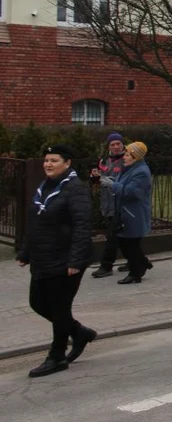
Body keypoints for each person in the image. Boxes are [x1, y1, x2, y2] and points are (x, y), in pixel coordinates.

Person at [16, 144, 96, 378]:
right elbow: (36, 223)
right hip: (42, 258)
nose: (48, 164)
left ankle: (57, 356)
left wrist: (75, 260)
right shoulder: (45, 187)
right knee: (37, 303)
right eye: (46, 160)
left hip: (64, 261)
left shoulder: (75, 189)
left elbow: (83, 227)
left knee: (60, 309)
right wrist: (25, 252)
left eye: (54, 160)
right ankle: (79, 332)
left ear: (67, 163)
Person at [115, 142, 152, 285]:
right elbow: (123, 184)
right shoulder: (129, 168)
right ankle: (142, 263)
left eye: (127, 154)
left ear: (135, 157)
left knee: (131, 244)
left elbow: (132, 192)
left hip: (134, 213)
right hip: (126, 212)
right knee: (124, 242)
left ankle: (136, 273)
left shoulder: (141, 171)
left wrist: (113, 186)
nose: (124, 157)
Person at [90, 132, 126, 278]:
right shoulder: (104, 160)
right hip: (106, 203)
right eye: (113, 144)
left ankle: (106, 266)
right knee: (122, 236)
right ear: (108, 146)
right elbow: (99, 179)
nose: (116, 147)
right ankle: (138, 261)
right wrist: (94, 177)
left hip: (120, 203)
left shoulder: (127, 160)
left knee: (112, 236)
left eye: (118, 144)